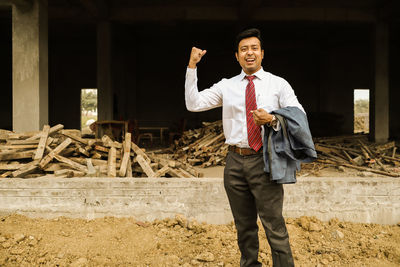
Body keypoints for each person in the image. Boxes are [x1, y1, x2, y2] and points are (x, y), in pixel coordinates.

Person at [185, 28, 305, 267]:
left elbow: (299, 115)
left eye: (254, 48)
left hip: (266, 160)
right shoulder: (227, 86)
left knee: (274, 224)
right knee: (244, 226)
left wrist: (272, 119)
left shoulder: (278, 84)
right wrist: (192, 67)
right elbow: (194, 104)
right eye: (243, 49)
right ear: (237, 56)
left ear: (262, 53)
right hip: (235, 162)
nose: (249, 53)